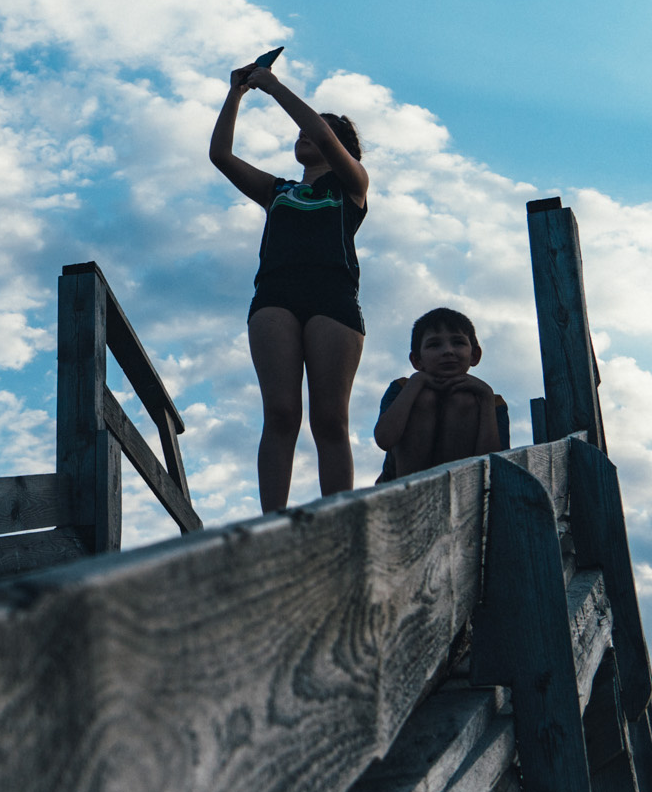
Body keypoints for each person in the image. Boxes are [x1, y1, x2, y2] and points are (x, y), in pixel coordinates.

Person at [208, 58, 368, 509]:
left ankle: (339, 518)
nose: (305, 135)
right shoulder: (277, 191)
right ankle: (271, 523)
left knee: (330, 420)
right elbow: (220, 156)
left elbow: (318, 131)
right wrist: (236, 93)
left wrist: (275, 87)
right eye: (298, 132)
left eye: (317, 132)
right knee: (279, 414)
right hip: (274, 297)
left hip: (333, 299)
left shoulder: (351, 186)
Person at [374, 307, 511, 480]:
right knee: (424, 398)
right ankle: (413, 492)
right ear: (417, 360)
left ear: (475, 355)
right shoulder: (403, 388)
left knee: (463, 400)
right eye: (434, 345)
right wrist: (415, 383)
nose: (448, 351)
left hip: (464, 491)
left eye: (458, 343)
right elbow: (384, 439)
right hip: (400, 489)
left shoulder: (490, 400)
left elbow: (493, 466)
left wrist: (485, 396)